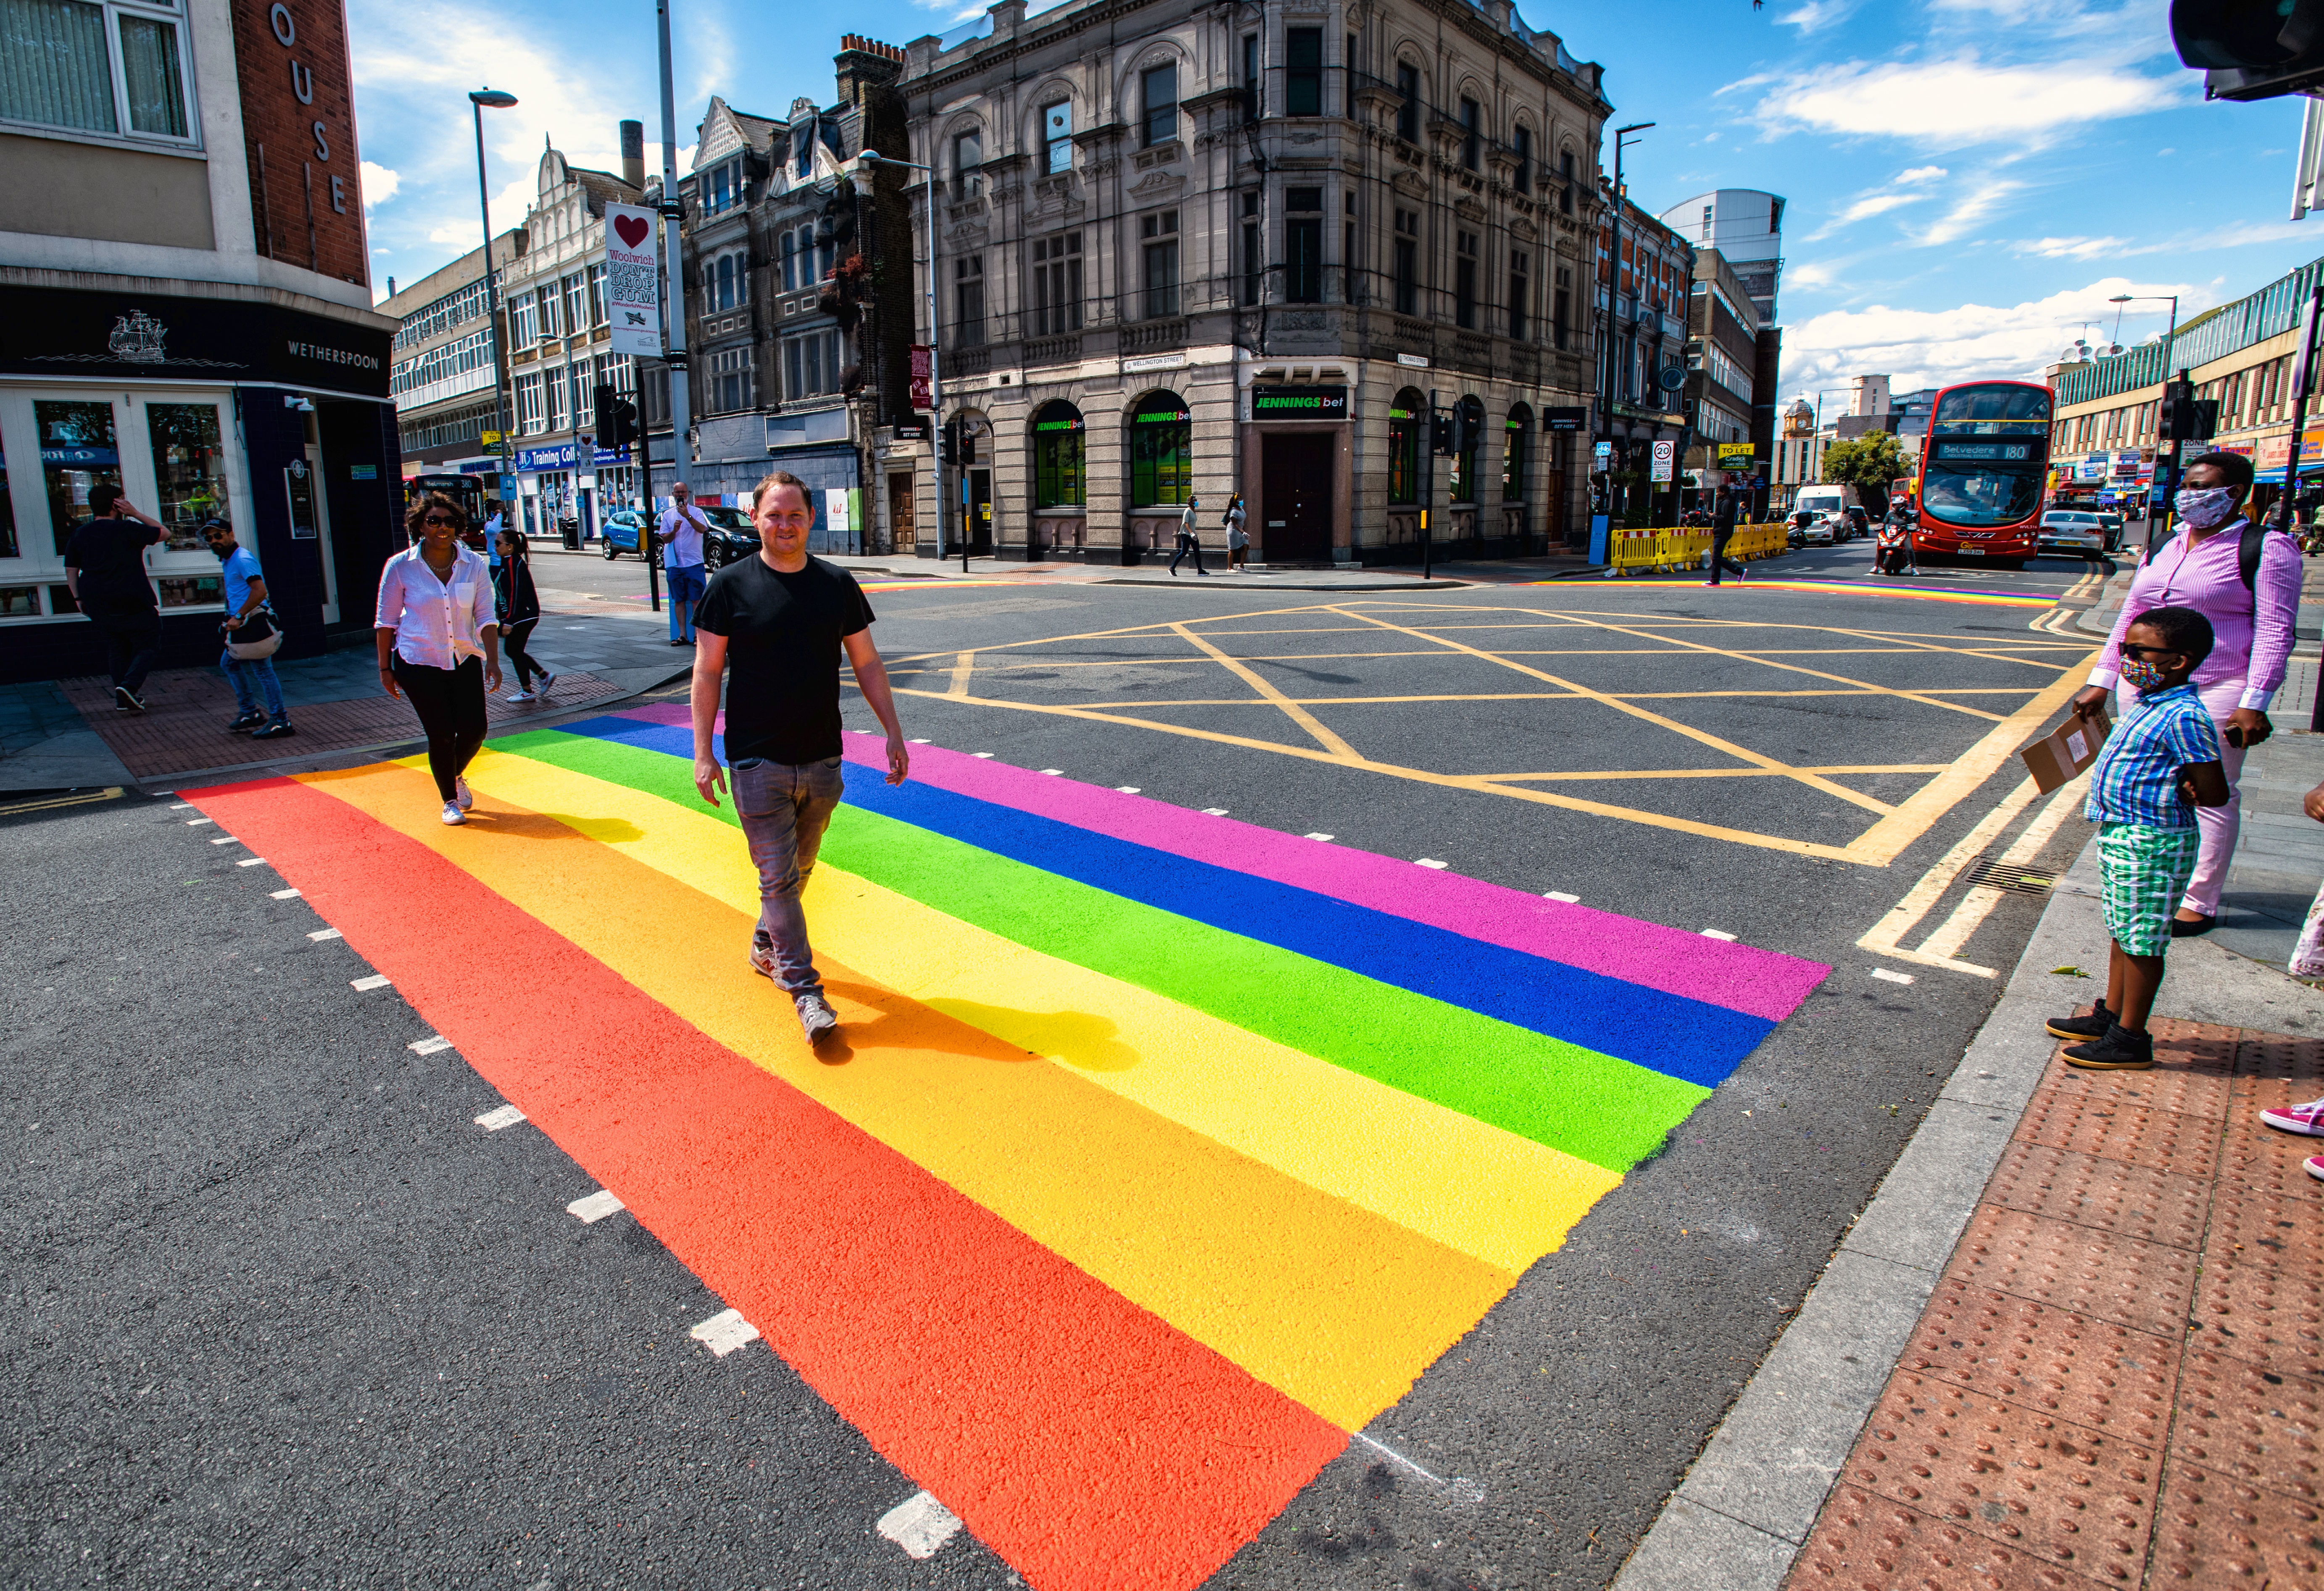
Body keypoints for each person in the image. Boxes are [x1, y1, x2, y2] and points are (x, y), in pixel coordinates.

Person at [691, 469, 909, 1046]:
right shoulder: (728, 586)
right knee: (778, 881)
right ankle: (806, 990)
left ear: (812, 519)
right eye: (773, 514)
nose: (783, 525)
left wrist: (893, 730)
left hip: (821, 757)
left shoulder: (836, 585)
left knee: (800, 868)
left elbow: (866, 662)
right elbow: (707, 670)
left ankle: (767, 945)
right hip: (755, 759)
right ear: (755, 517)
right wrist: (703, 752)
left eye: (794, 515)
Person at [2068, 451, 2299, 938]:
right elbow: (2133, 612)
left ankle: (2198, 898)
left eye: (2203, 486)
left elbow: (2276, 630)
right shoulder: (2166, 542)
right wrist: (2103, 678)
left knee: (2210, 791)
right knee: (2147, 783)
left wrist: (2254, 701)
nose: (2191, 496)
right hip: (2144, 683)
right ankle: (2152, 874)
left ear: (2235, 493)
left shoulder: (2266, 547)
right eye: (2187, 486)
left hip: (2217, 683)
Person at [2046, 607, 2230, 1070]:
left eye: (2136, 651)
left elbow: (2214, 790)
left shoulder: (2184, 714)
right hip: (2125, 833)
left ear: (2178, 661)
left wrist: (2190, 786)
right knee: (2123, 931)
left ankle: (2130, 1037)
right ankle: (2111, 1015)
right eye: (2124, 650)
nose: (2126, 659)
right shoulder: (2150, 702)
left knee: (2143, 942)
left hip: (2153, 840)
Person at [377, 492, 501, 826]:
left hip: (463, 657)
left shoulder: (474, 564)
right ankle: (449, 800)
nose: (442, 527)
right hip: (418, 661)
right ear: (421, 526)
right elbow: (386, 622)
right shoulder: (401, 566)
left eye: (449, 521)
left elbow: (486, 614)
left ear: (458, 526)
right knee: (442, 734)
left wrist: (493, 659)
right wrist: (385, 670)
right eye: (433, 521)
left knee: (476, 730)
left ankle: (454, 772)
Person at [62, 485, 169, 712]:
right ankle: (129, 687)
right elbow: (165, 533)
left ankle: (124, 697)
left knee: (117, 647)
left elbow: (71, 569)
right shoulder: (127, 529)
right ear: (116, 505)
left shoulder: (80, 533)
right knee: (149, 642)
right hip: (132, 595)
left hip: (96, 597)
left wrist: (78, 598)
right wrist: (136, 513)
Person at [204, 518, 293, 739]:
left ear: (231, 535)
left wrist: (238, 615)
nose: (214, 540)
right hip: (242, 624)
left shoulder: (242, 558)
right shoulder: (229, 559)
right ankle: (250, 712)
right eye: (209, 538)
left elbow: (260, 591)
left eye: (219, 535)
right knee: (229, 663)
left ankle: (280, 720)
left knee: (263, 670)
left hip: (251, 623)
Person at [494, 530, 555, 702]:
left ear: (510, 547)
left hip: (523, 616)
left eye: (498, 543)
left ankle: (528, 690)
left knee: (513, 651)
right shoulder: (507, 562)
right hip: (519, 615)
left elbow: (515, 594)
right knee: (514, 651)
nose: (495, 546)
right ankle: (542, 676)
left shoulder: (514, 563)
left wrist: (509, 621)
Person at [659, 482, 711, 646]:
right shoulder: (667, 515)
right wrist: (674, 531)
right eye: (677, 492)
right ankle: (683, 635)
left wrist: (688, 516)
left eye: (683, 492)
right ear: (673, 494)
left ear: (688, 493)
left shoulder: (697, 512)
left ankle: (697, 636)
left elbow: (703, 529)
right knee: (679, 600)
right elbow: (665, 539)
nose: (680, 495)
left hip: (693, 562)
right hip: (674, 564)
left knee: (697, 600)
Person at [1703, 486, 1748, 586]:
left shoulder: (1726, 502)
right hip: (1723, 531)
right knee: (1716, 557)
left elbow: (1724, 518)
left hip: (1722, 532)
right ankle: (1715, 580)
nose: (1716, 494)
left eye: (1718, 492)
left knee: (1717, 557)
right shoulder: (1728, 502)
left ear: (1723, 492)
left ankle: (1738, 571)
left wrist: (1713, 516)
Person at [1170, 497, 1209, 576]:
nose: (1196, 502)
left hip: (1192, 534)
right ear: (1190, 502)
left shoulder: (1193, 511)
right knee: (1184, 552)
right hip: (1186, 535)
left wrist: (1193, 533)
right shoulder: (1187, 511)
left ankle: (1200, 570)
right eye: (1194, 501)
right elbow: (1186, 523)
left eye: (1196, 500)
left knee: (1197, 552)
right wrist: (1191, 533)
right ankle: (1172, 569)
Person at [1224, 494, 1249, 571]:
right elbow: (1235, 524)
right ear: (1235, 502)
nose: (1241, 501)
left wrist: (1244, 531)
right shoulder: (1233, 511)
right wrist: (1243, 532)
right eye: (1239, 500)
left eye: (1242, 499)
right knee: (1232, 549)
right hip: (1233, 531)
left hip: (1241, 531)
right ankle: (1230, 568)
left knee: (1246, 546)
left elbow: (1242, 522)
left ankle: (1241, 566)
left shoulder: (1241, 509)